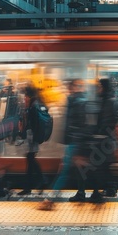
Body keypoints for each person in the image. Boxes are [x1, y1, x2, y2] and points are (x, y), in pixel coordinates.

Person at [38, 79, 87, 210]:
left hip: (75, 144)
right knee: (72, 171)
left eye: (67, 88)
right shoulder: (75, 101)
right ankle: (84, 193)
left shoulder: (77, 102)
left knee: (65, 171)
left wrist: (77, 150)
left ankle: (49, 200)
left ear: (73, 88)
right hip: (75, 143)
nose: (64, 91)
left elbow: (78, 126)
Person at [69, 78, 118, 203]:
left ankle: (96, 192)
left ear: (104, 87)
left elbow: (104, 122)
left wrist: (96, 134)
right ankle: (100, 191)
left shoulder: (105, 102)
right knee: (98, 169)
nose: (97, 89)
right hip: (103, 141)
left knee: (92, 168)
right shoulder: (106, 101)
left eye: (99, 86)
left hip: (101, 141)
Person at [18, 86, 45, 196]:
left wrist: (32, 141)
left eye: (25, 96)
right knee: (30, 161)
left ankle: (41, 181)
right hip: (32, 139)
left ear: (29, 96)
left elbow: (33, 125)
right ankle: (29, 187)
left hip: (32, 139)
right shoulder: (35, 104)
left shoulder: (34, 106)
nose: (24, 98)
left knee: (31, 160)